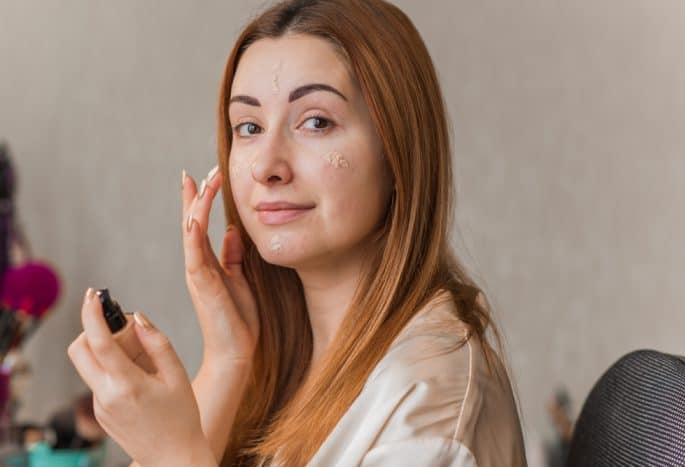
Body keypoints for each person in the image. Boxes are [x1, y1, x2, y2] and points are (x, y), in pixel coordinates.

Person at [67, 0, 527, 465]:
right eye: (249, 127)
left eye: (316, 122)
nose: (266, 166)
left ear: (398, 151)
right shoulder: (290, 370)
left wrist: (171, 452)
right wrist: (227, 359)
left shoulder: (430, 407)